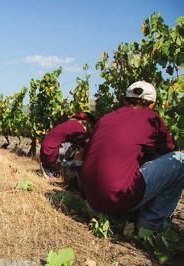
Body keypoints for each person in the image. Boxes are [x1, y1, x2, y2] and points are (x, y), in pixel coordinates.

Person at [80, 81, 183, 231]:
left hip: (90, 198)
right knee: (179, 162)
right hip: (115, 198)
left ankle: (120, 214)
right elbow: (168, 153)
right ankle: (151, 223)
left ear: (125, 100)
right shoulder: (151, 119)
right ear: (153, 104)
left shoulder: (106, 118)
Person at [40, 112, 96, 180]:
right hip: (50, 153)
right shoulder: (79, 129)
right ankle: (70, 174)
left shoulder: (72, 123)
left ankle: (50, 167)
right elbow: (88, 143)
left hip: (46, 152)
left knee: (75, 146)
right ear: (87, 123)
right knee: (78, 149)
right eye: (92, 126)